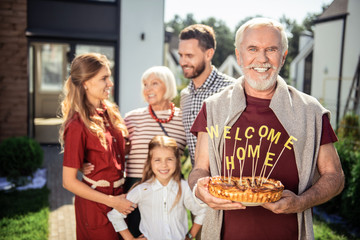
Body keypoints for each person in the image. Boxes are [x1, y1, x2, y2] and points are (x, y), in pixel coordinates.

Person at [188, 18, 345, 240]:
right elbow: (199, 170)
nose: (262, 59)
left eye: (271, 49)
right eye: (252, 49)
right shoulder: (213, 108)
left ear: (283, 56)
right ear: (239, 55)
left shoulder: (311, 112)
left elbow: (335, 176)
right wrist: (199, 190)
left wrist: (301, 202)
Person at [82, 66, 187, 237]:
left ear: (168, 85)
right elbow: (111, 147)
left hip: (170, 187)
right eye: (145, 84)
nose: (148, 89)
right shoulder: (132, 118)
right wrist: (83, 162)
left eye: (154, 83)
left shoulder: (184, 120)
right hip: (136, 185)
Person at [60, 53, 135, 240]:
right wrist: (112, 201)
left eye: (109, 77)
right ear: (85, 83)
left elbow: (114, 154)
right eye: (104, 78)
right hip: (96, 207)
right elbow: (68, 181)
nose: (110, 83)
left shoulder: (110, 112)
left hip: (120, 198)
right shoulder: (76, 124)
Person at [107, 135, 207, 240]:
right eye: (157, 160)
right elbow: (115, 215)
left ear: (177, 160)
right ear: (150, 161)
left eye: (169, 159)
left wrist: (190, 236)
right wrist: (130, 238)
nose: (164, 165)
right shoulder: (142, 190)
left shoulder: (184, 187)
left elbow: (201, 211)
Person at [178, 24, 236, 167]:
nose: (183, 62)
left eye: (189, 56)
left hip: (227, 182)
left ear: (209, 54)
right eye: (181, 55)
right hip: (198, 182)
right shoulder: (185, 96)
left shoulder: (231, 89)